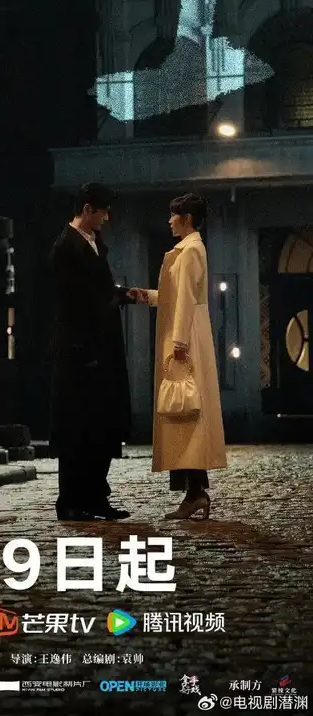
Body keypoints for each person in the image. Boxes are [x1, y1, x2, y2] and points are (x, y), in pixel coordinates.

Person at [131, 193, 226, 519]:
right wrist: (145, 296)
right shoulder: (189, 249)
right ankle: (194, 491)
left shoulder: (190, 250)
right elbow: (176, 295)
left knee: (186, 413)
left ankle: (195, 492)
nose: (170, 220)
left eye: (174, 215)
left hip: (185, 336)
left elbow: (185, 297)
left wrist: (180, 342)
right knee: (185, 417)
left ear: (186, 218)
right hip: (184, 332)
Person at [49, 182, 133, 521]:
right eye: (103, 212)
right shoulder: (65, 248)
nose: (106, 218)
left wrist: (123, 295)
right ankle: (71, 500)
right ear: (87, 210)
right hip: (80, 351)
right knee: (77, 428)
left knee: (103, 425)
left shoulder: (94, 243)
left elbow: (99, 291)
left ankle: (96, 496)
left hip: (102, 346)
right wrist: (84, 348)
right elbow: (72, 303)